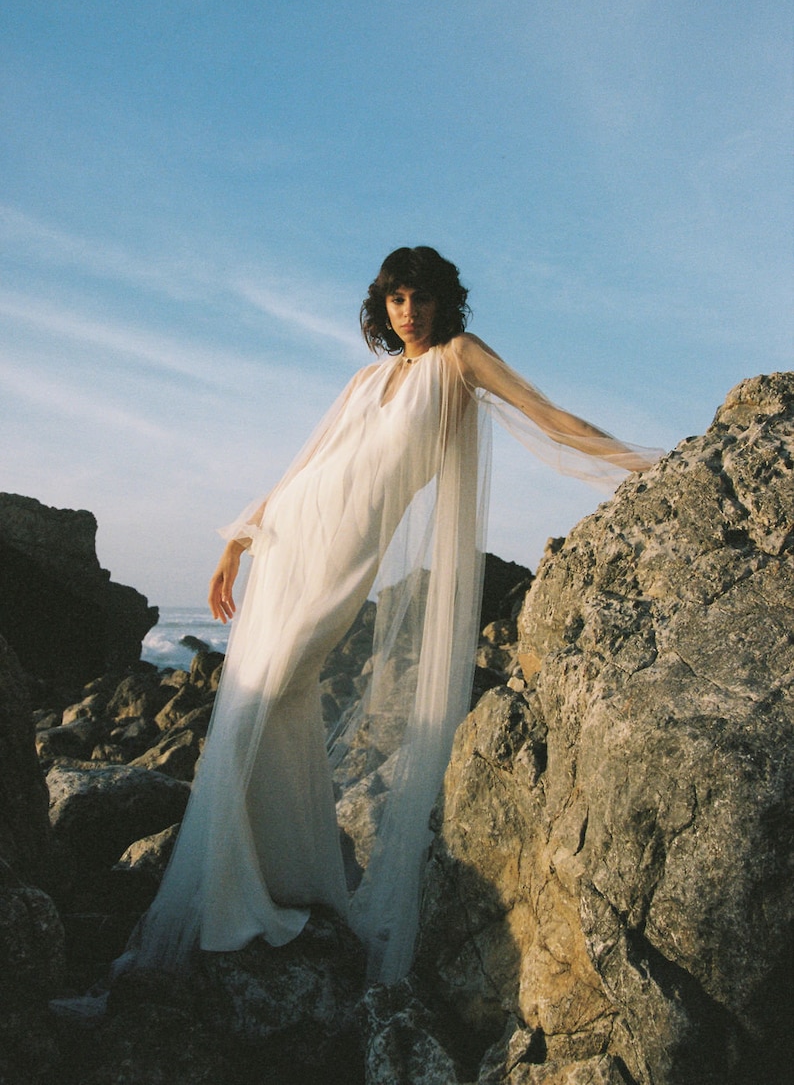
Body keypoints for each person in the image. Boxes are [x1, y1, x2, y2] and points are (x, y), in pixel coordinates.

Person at [130, 246, 661, 984]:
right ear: (382, 308)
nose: (407, 312)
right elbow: (305, 468)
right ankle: (278, 883)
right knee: (263, 699)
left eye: (420, 297)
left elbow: (545, 415)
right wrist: (238, 542)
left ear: (443, 302)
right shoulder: (367, 378)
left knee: (271, 693)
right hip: (293, 541)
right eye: (395, 299)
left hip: (343, 555)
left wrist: (643, 463)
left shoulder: (459, 360)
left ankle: (258, 885)